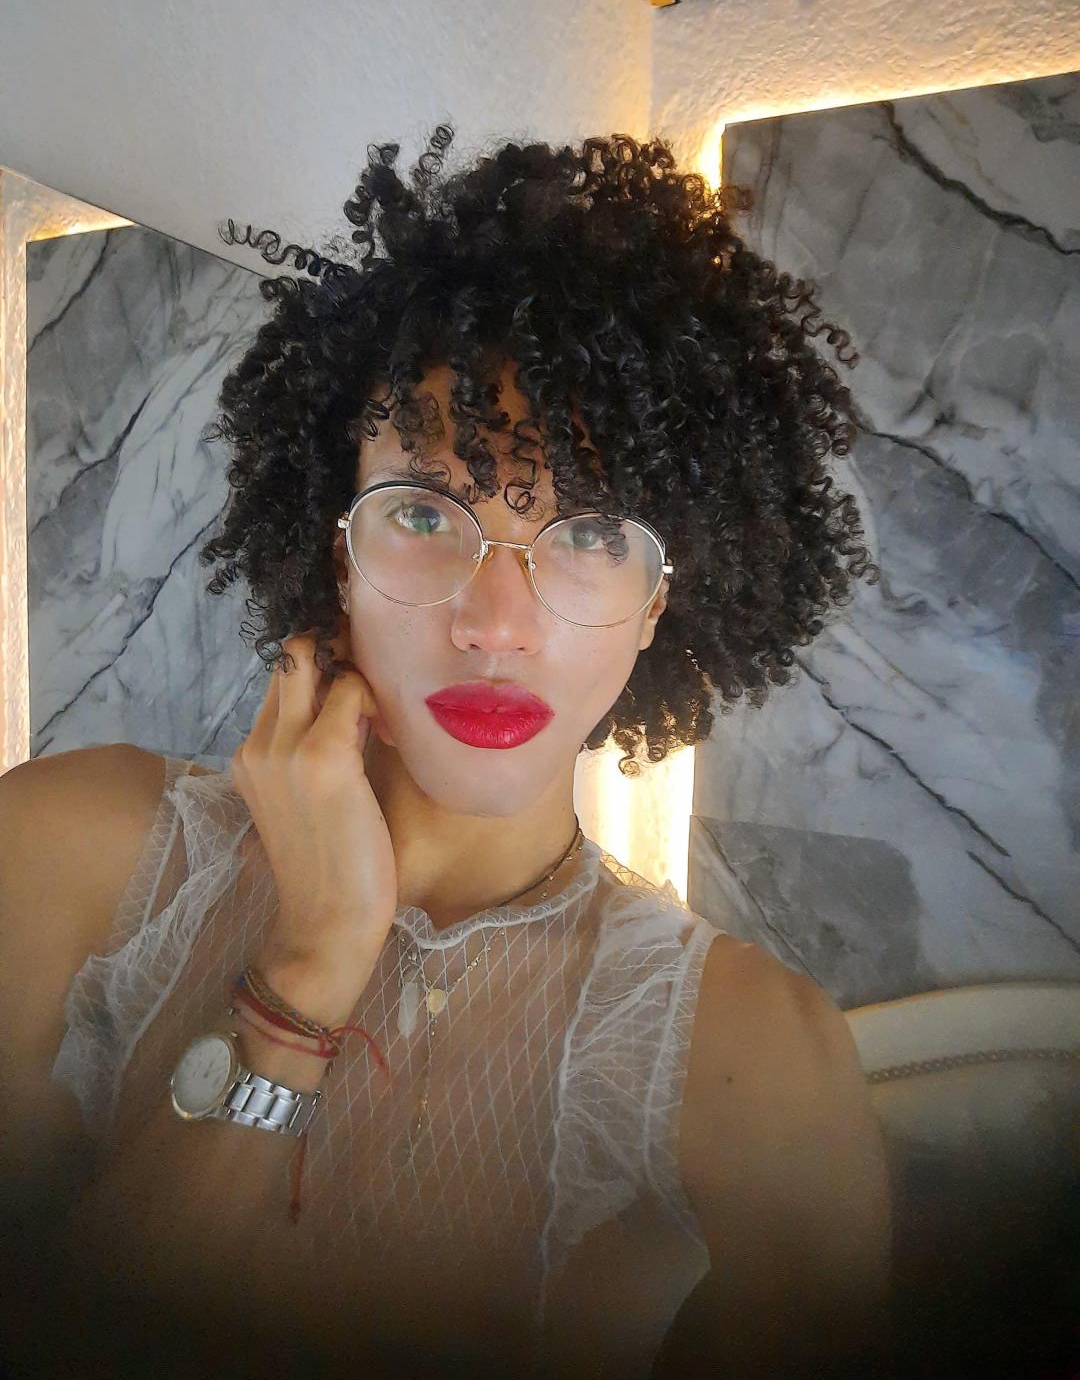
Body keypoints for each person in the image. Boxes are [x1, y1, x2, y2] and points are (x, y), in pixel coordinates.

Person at [0, 129, 894, 1378]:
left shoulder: (762, 1066)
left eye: (590, 533)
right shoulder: (57, 857)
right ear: (337, 554)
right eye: (425, 510)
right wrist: (309, 967)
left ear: (659, 600)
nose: (495, 621)